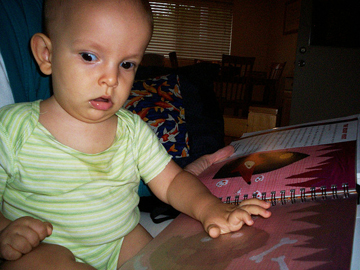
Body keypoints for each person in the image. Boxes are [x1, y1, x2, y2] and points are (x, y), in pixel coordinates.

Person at [0, 0, 271, 269]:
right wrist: (5, 232)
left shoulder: (132, 130)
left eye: (127, 64)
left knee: (163, 257)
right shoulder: (13, 127)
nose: (111, 79)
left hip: (120, 242)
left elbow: (173, 182)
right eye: (89, 56)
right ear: (46, 54)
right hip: (44, 247)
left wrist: (210, 208)